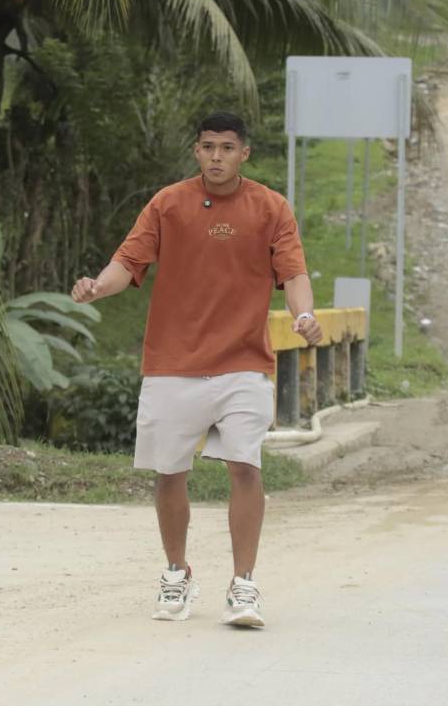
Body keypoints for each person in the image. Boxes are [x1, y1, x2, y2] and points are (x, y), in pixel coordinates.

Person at [71, 111, 322, 628]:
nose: (216, 157)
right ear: (196, 151)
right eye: (208, 147)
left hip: (243, 363)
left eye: (227, 148)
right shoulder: (168, 203)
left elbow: (293, 273)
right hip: (173, 362)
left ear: (244, 154)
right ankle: (176, 572)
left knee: (244, 466)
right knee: (170, 473)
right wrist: (97, 286)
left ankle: (244, 585)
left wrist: (303, 316)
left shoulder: (271, 207)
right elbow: (128, 262)